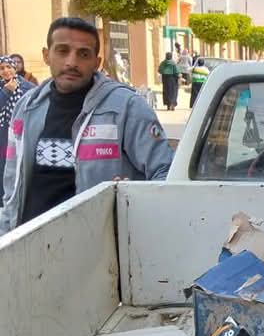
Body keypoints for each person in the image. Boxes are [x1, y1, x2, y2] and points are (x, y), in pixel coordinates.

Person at [0, 17, 173, 234]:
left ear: (97, 62)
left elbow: (165, 173)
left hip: (96, 246)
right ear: (46, 55)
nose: (71, 62)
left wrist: (132, 201)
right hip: (31, 244)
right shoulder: (26, 107)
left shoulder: (127, 107)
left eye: (83, 54)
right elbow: (12, 182)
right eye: (62, 51)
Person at [0, 56, 34, 201]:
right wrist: (6, 92)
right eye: (2, 68)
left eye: (9, 67)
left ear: (14, 68)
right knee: (3, 167)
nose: (6, 71)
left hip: (21, 134)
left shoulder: (28, 87)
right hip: (2, 136)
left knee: (20, 165)